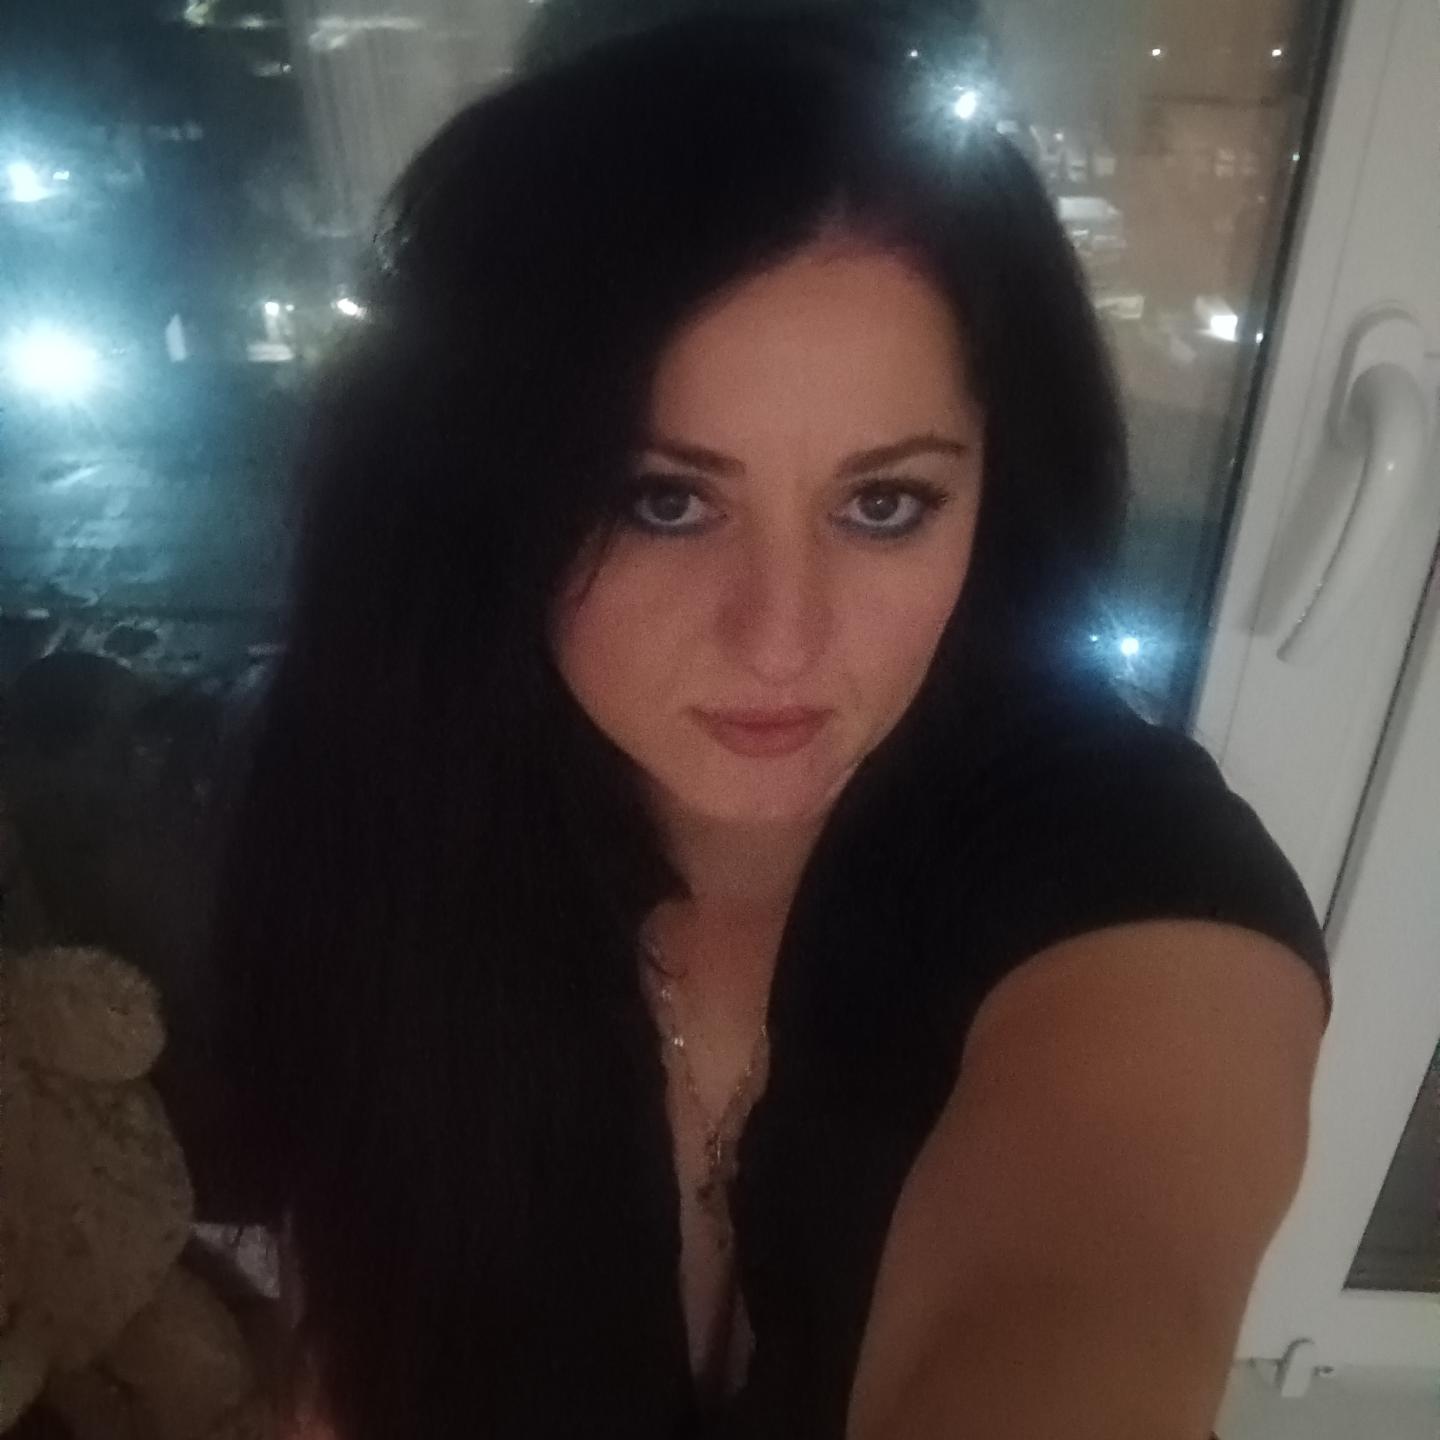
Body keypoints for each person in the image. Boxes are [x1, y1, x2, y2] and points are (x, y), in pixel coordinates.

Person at [211, 12, 1331, 1440]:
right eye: (665, 500)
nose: (783, 641)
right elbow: (355, 1348)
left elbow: (1091, 1291)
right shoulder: (382, 806)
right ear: (480, 490)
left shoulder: (1130, 879)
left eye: (885, 503)